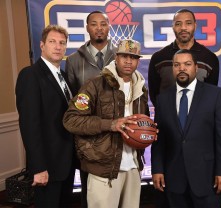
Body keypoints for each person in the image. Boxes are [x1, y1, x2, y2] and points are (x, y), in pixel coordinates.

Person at [63, 39, 149, 208]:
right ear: (116, 58)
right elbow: (71, 120)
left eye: (133, 57)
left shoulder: (141, 88)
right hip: (104, 168)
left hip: (133, 166)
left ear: (138, 60)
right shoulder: (94, 85)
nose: (128, 61)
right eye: (124, 56)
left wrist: (147, 132)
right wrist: (110, 124)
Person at [151, 49, 221, 208]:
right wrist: (157, 169)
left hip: (207, 177)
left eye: (187, 64)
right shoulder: (163, 99)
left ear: (196, 68)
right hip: (174, 178)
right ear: (173, 69)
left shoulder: (215, 95)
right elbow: (159, 140)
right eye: (177, 65)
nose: (182, 68)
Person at [15, 25, 74, 207]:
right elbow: (29, 125)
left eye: (62, 43)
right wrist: (39, 167)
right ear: (42, 45)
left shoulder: (64, 77)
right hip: (47, 166)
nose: (58, 47)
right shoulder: (30, 75)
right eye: (52, 42)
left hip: (67, 163)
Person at [65, 10, 117, 207]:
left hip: (116, 131)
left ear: (109, 27)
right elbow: (73, 102)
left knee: (117, 186)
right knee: (90, 190)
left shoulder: (122, 56)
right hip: (89, 136)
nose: (99, 28)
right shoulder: (73, 60)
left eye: (103, 24)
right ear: (87, 28)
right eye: (94, 24)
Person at [148, 8, 219, 107]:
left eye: (188, 23)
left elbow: (210, 96)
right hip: (166, 119)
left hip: (199, 121)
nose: (183, 28)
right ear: (172, 27)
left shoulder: (209, 58)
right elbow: (154, 95)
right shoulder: (159, 58)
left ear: (195, 25)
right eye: (178, 24)